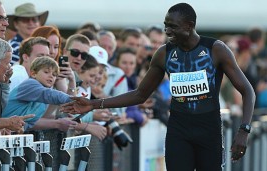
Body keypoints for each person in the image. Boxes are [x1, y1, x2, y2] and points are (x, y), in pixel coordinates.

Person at [61, 3, 255, 171]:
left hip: (209, 130)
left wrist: (244, 131)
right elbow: (140, 94)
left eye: (173, 26)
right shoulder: (164, 54)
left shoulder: (215, 49)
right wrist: (94, 104)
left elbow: (247, 91)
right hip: (179, 131)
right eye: (165, 26)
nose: (167, 31)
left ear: (190, 26)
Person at [2, 56, 77, 130]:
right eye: (46, 72)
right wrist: (75, 100)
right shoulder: (30, 84)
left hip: (8, 131)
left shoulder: (43, 99)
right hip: (0, 126)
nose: (51, 76)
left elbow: (31, 122)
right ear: (33, 73)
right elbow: (49, 94)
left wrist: (22, 128)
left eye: (54, 75)